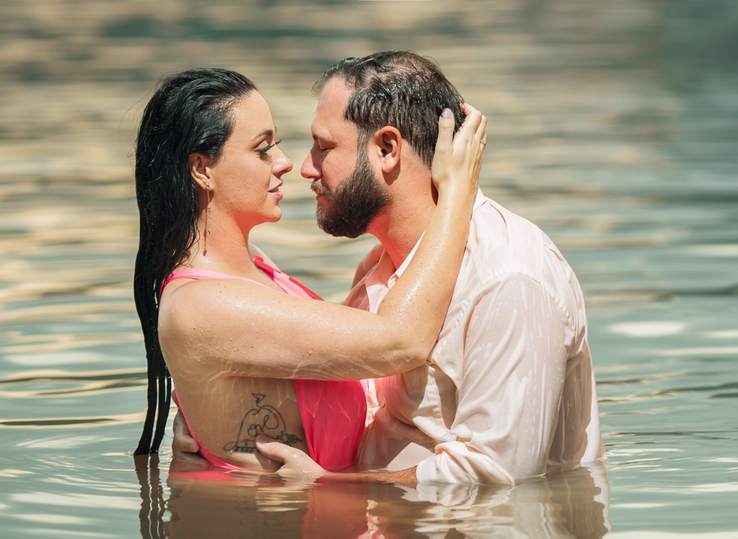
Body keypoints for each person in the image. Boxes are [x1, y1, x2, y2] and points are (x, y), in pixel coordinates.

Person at [174, 52, 604, 486]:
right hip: (388, 525)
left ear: (386, 149)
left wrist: (328, 486)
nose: (303, 167)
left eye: (324, 147)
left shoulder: (509, 279)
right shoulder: (379, 267)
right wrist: (219, 424)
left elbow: (496, 478)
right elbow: (358, 406)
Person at [132, 67, 486, 471]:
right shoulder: (201, 306)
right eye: (262, 149)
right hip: (292, 512)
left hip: (327, 509)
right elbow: (402, 341)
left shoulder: (253, 267)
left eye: (276, 145)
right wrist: (458, 190)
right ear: (202, 170)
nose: (285, 163)